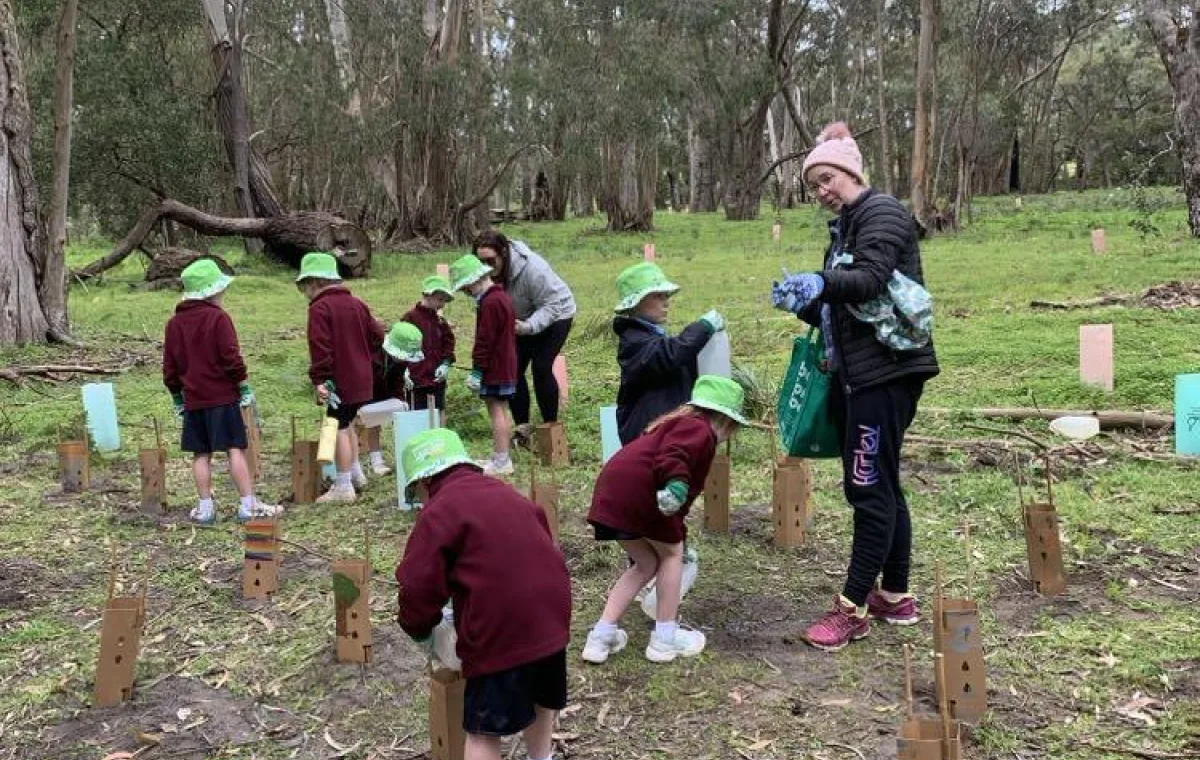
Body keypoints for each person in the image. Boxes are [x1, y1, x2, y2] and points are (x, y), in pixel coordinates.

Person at [772, 122, 940, 652]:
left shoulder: (883, 212)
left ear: (851, 171)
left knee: (867, 488)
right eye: (814, 184)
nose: (822, 190)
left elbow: (866, 279)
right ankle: (895, 594)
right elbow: (845, 306)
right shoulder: (844, 227)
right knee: (882, 483)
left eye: (827, 178)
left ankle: (853, 609)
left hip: (885, 374)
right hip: (857, 372)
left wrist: (822, 281)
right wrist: (806, 302)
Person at [395, 428, 571, 760]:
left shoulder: (438, 511)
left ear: (422, 483)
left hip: (500, 626)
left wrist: (420, 629)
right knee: (541, 697)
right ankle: (541, 756)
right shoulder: (508, 493)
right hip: (552, 615)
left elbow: (418, 584)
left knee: (482, 728)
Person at [581, 376, 746, 664]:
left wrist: (677, 528)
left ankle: (601, 636)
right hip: (643, 497)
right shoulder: (699, 429)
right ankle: (664, 639)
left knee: (645, 564)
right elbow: (674, 457)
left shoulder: (672, 424)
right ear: (725, 421)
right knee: (673, 557)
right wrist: (677, 485)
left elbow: (667, 471)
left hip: (613, 496)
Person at [162, 259, 280, 524]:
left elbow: (170, 365)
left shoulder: (174, 325)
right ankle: (248, 505)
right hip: (222, 396)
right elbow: (231, 357)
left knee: (200, 453)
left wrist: (177, 395)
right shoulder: (218, 318)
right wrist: (242, 384)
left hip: (193, 399)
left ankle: (205, 508)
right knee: (234, 448)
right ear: (212, 291)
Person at [297, 252, 387, 503]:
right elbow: (378, 335)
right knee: (346, 424)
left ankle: (343, 484)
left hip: (339, 381)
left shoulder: (320, 308)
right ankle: (357, 474)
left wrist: (321, 379)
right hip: (362, 378)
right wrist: (364, 357)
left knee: (337, 426)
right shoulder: (357, 303)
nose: (305, 293)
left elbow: (320, 347)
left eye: (305, 287)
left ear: (314, 282)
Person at [472, 231, 576, 446]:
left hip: (556, 313)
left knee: (541, 366)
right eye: (480, 262)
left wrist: (528, 327)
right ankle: (523, 429)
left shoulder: (534, 270)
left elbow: (552, 305)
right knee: (514, 369)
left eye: (490, 261)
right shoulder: (486, 274)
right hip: (519, 320)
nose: (486, 267)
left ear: (503, 253)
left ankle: (550, 428)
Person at [611, 262, 724, 444]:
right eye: (657, 296)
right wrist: (702, 328)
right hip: (647, 436)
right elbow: (670, 355)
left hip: (666, 432)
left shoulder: (651, 336)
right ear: (637, 302)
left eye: (666, 295)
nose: (666, 302)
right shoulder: (633, 342)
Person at [451, 253, 519, 476]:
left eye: (465, 288)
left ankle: (502, 461)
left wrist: (478, 370)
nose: (466, 293)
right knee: (502, 410)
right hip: (506, 363)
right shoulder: (502, 297)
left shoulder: (490, 303)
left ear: (473, 281)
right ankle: (500, 455)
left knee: (496, 410)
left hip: (494, 366)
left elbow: (485, 340)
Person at [401, 275, 457, 415]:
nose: (442, 304)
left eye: (445, 301)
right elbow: (399, 346)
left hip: (436, 380)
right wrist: (403, 370)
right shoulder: (410, 318)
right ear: (428, 295)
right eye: (440, 299)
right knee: (417, 418)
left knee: (438, 417)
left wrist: (445, 363)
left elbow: (448, 344)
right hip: (415, 382)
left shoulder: (441, 322)